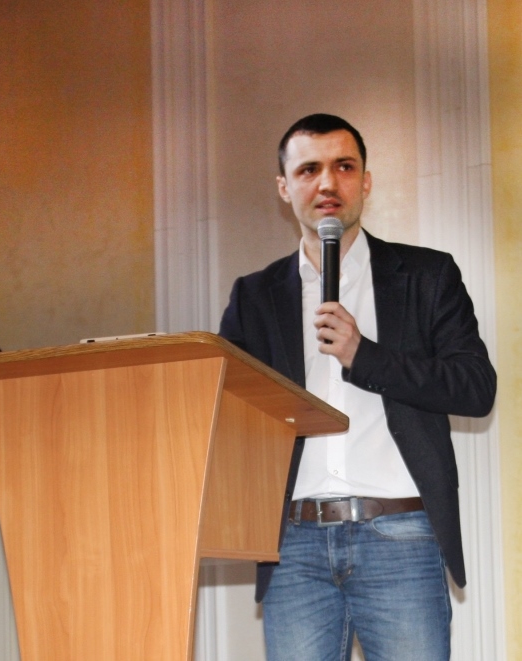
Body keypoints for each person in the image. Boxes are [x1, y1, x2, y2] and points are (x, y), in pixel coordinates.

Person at [218, 113, 497, 661]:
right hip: (293, 545)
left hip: (400, 536)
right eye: (309, 170)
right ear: (284, 188)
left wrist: (362, 355)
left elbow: (474, 388)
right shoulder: (254, 295)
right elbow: (227, 410)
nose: (327, 183)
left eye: (344, 167)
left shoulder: (426, 276)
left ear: (365, 181)